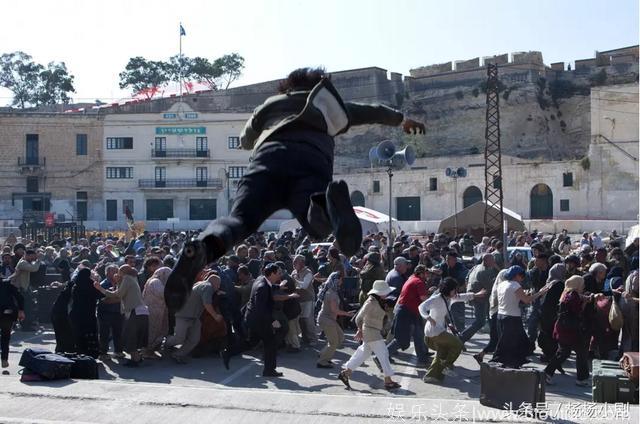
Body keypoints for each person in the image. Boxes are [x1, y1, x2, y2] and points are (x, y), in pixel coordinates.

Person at [165, 67, 426, 312]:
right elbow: (372, 111)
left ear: (286, 87)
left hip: (268, 161)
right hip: (311, 160)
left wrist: (259, 131)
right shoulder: (327, 106)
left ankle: (201, 248)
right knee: (318, 225)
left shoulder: (270, 104)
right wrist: (401, 119)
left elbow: (246, 139)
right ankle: (326, 203)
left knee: (239, 221)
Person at [419, 277, 486, 384]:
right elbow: (421, 307)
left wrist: (476, 295)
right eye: (454, 289)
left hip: (439, 331)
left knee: (443, 351)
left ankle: (431, 376)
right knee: (458, 344)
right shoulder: (436, 298)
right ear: (448, 289)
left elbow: (462, 297)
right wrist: (428, 318)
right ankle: (446, 366)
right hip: (433, 332)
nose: (456, 292)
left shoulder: (449, 298)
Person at [338, 280, 401, 391]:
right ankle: (388, 380)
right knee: (383, 354)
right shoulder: (371, 302)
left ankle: (346, 373)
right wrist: (359, 330)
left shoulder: (378, 300)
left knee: (363, 353)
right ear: (379, 292)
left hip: (371, 331)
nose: (387, 293)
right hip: (371, 332)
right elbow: (358, 318)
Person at [544, 276, 602, 386]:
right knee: (578, 352)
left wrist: (589, 298)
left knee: (565, 352)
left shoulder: (568, 292)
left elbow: (581, 298)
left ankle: (548, 373)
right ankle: (581, 379)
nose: (584, 285)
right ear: (577, 284)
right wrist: (585, 302)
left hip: (565, 328)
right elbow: (577, 310)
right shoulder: (572, 295)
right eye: (582, 283)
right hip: (570, 329)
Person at [490, 266, 551, 368]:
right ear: (516, 276)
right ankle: (504, 361)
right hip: (512, 317)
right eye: (521, 275)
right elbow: (526, 300)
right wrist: (540, 293)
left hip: (501, 315)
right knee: (515, 342)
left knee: (510, 341)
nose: (522, 278)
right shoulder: (515, 285)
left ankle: (513, 362)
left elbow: (512, 297)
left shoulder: (502, 284)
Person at [244, 263, 299, 377]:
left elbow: (270, 288)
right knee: (274, 337)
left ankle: (269, 368)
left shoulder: (263, 280)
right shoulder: (263, 286)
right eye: (278, 273)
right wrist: (272, 321)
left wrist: (279, 286)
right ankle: (269, 369)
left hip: (262, 317)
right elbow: (265, 304)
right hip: (265, 317)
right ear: (272, 273)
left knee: (259, 342)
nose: (280, 275)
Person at [93, 265, 149, 366]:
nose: (116, 274)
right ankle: (136, 357)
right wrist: (118, 282)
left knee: (129, 336)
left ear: (122, 271)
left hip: (134, 311)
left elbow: (118, 295)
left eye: (118, 271)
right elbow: (121, 293)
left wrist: (100, 288)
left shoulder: (127, 279)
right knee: (131, 335)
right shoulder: (131, 279)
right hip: (138, 311)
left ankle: (135, 359)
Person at [164, 274, 223, 363]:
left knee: (194, 339)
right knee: (179, 338)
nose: (218, 287)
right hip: (184, 316)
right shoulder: (208, 287)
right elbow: (207, 304)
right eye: (218, 284)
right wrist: (215, 316)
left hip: (193, 317)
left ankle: (177, 354)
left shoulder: (200, 284)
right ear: (215, 282)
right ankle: (163, 343)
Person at [387, 265, 431, 366]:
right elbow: (424, 299)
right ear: (420, 273)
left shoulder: (412, 278)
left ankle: (422, 358)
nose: (427, 275)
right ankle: (382, 356)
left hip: (409, 312)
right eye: (426, 273)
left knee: (419, 335)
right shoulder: (418, 281)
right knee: (402, 340)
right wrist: (433, 297)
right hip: (407, 313)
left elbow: (418, 295)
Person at [316, 271, 354, 368]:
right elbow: (335, 310)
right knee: (334, 342)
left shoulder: (331, 291)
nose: (342, 281)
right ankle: (322, 361)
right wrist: (347, 314)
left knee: (340, 337)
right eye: (340, 280)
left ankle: (323, 354)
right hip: (327, 320)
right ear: (336, 281)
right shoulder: (331, 294)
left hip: (329, 319)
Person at [460, 253, 498, 344]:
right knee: (480, 321)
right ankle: (461, 338)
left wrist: (470, 290)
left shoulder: (475, 267)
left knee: (491, 320)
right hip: (481, 298)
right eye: (492, 260)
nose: (494, 262)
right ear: (486, 261)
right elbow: (491, 287)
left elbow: (466, 278)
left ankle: (495, 341)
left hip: (476, 296)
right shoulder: (484, 271)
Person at [472, 270, 507, 364]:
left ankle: (481, 355)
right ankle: (495, 360)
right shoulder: (501, 287)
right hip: (497, 315)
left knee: (495, 339)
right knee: (499, 339)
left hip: (494, 314)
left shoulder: (498, 286)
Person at [69, 267, 102, 358]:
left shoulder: (76, 285)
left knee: (78, 334)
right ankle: (90, 354)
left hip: (76, 313)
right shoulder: (91, 284)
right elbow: (100, 295)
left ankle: (80, 352)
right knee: (89, 333)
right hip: (88, 314)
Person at [142, 266, 172, 357]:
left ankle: (150, 350)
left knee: (155, 331)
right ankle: (147, 351)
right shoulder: (155, 282)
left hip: (156, 311)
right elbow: (164, 294)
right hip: (154, 311)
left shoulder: (154, 280)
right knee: (152, 331)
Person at [436, 251, 468, 334]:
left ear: (454, 260)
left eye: (448, 259)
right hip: (446, 294)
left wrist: (462, 287)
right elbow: (435, 268)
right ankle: (444, 333)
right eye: (446, 258)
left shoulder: (461, 268)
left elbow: (467, 278)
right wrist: (435, 270)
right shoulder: (443, 266)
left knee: (458, 315)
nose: (446, 260)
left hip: (457, 294)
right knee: (444, 314)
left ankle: (462, 333)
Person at [97, 264, 124, 359]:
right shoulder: (103, 284)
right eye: (114, 271)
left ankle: (118, 351)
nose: (116, 273)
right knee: (104, 333)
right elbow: (103, 300)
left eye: (117, 271)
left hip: (117, 312)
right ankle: (103, 353)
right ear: (107, 273)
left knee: (118, 332)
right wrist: (118, 298)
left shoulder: (120, 284)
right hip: (105, 312)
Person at [10, 249, 40, 331]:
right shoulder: (22, 263)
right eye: (32, 257)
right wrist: (38, 260)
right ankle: (25, 326)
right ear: (28, 255)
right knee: (26, 307)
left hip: (24, 288)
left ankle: (27, 324)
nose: (32, 259)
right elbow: (34, 268)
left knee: (28, 307)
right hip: (21, 289)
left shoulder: (25, 262)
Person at [0, 275, 24, 370]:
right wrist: (21, 310)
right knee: (5, 337)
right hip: (7, 313)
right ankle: (4, 359)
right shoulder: (7, 283)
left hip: (6, 313)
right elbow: (20, 297)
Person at [291, 255, 316, 345]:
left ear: (302, 262)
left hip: (308, 299)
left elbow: (304, 286)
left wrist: (295, 280)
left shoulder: (308, 272)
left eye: (296, 261)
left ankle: (313, 339)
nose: (293, 263)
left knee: (308, 320)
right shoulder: (293, 272)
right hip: (298, 299)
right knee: (300, 320)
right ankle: (305, 338)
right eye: (293, 261)